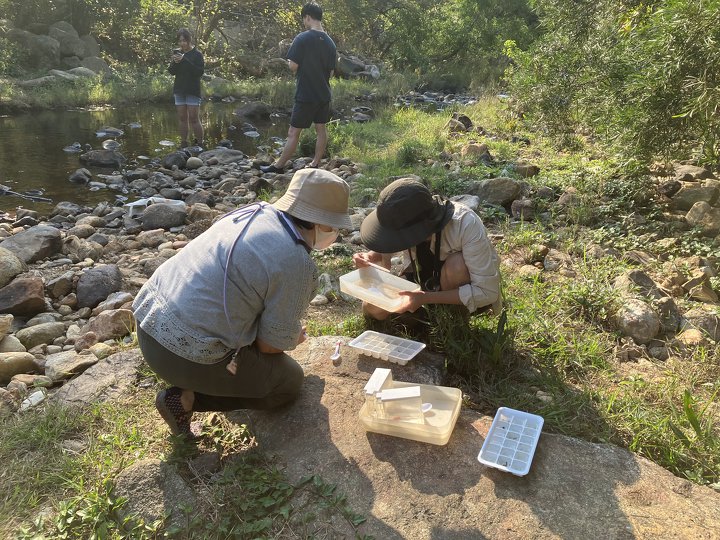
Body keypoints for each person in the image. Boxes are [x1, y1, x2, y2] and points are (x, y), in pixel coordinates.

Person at [132, 169, 352, 437]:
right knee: (288, 381)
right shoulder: (297, 262)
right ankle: (186, 398)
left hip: (146, 323)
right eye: (335, 226)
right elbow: (270, 346)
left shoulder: (253, 212)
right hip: (181, 355)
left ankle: (200, 385)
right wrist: (293, 337)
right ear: (324, 224)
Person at [353, 178, 502, 321]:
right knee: (372, 308)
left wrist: (425, 298)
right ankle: (421, 316)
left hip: (454, 282)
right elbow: (391, 242)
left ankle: (448, 318)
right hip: (420, 278)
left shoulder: (465, 224)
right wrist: (371, 257)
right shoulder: (405, 220)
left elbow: (487, 292)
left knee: (457, 265)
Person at [260, 3, 336, 174]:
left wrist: (289, 62)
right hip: (324, 94)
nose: (304, 22)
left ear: (307, 17)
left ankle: (279, 166)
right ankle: (316, 163)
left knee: (294, 131)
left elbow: (293, 66)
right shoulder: (331, 43)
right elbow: (330, 73)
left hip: (306, 94)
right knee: (321, 129)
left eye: (304, 19)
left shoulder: (302, 38)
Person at [169, 28, 204, 149]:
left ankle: (200, 143)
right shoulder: (177, 53)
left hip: (193, 90)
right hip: (179, 90)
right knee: (182, 118)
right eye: (180, 41)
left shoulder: (197, 54)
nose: (182, 44)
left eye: (184, 41)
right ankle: (183, 143)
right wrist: (174, 62)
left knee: (194, 118)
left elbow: (199, 72)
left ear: (189, 40)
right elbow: (172, 72)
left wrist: (184, 60)